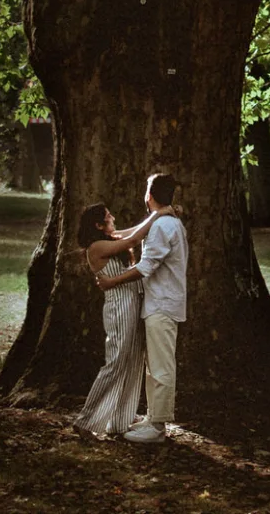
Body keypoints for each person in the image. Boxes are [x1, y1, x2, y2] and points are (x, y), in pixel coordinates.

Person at [92, 172, 186, 443]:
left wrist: (111, 281)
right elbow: (130, 237)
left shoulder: (163, 227)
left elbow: (145, 267)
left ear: (149, 196)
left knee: (161, 366)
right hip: (159, 303)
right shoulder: (168, 223)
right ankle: (152, 417)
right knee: (154, 365)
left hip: (162, 304)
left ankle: (157, 427)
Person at [68, 200, 153, 438]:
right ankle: (86, 421)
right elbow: (134, 240)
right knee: (116, 361)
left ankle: (119, 421)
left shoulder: (110, 240)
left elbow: (130, 233)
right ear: (98, 225)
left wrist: (156, 216)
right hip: (119, 307)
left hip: (133, 303)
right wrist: (160, 215)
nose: (113, 218)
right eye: (108, 216)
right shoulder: (96, 247)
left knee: (134, 359)